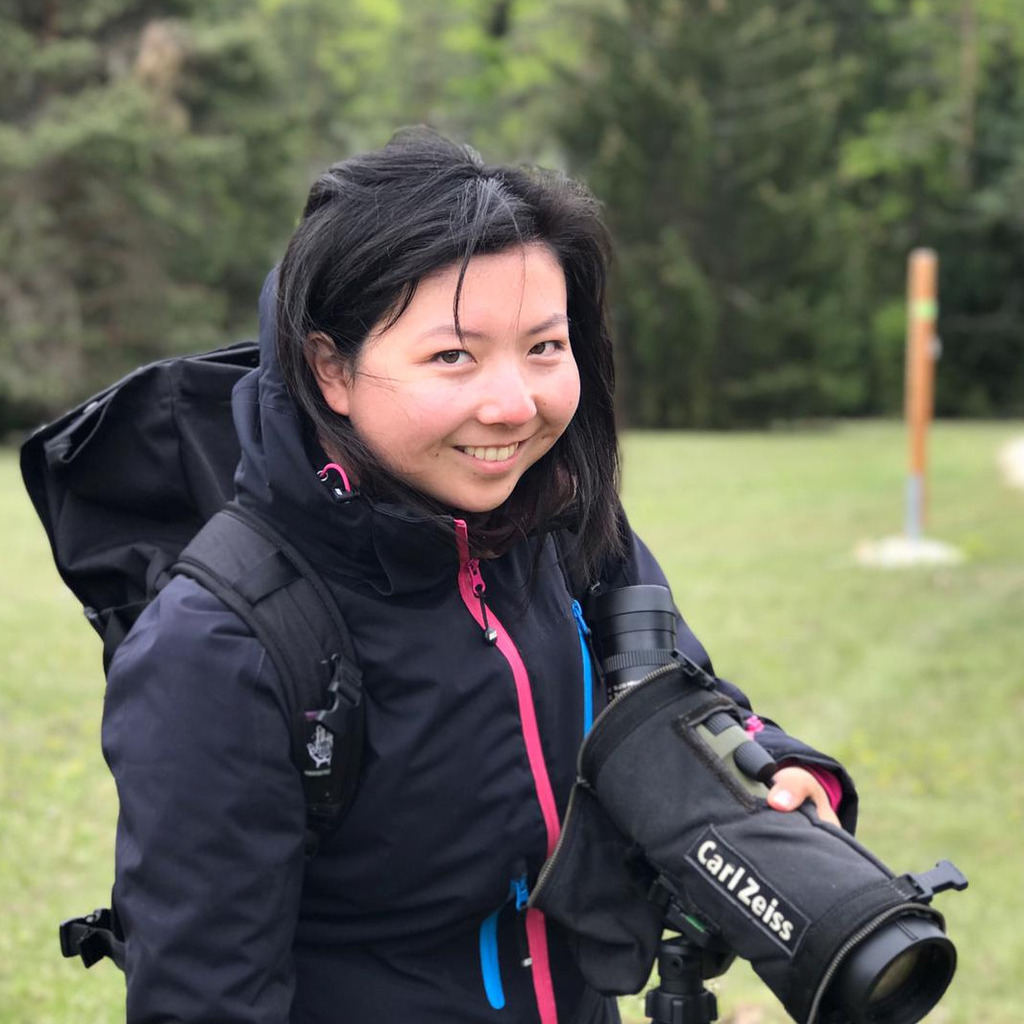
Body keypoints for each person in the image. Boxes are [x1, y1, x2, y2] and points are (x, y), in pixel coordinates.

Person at [102, 129, 854, 1024]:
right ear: (329, 370)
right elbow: (203, 997)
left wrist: (783, 771)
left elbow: (680, 702)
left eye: (545, 346)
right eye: (453, 356)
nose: (515, 404)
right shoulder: (220, 642)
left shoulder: (567, 532)